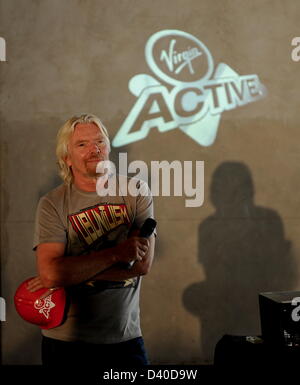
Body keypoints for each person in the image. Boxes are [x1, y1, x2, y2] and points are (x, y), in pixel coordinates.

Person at [27, 113, 156, 369]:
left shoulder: (136, 192)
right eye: (82, 144)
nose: (94, 149)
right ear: (67, 157)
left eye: (99, 141)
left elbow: (141, 266)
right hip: (66, 342)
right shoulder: (52, 204)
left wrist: (70, 270)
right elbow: (52, 274)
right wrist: (117, 254)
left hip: (124, 338)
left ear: (108, 147)